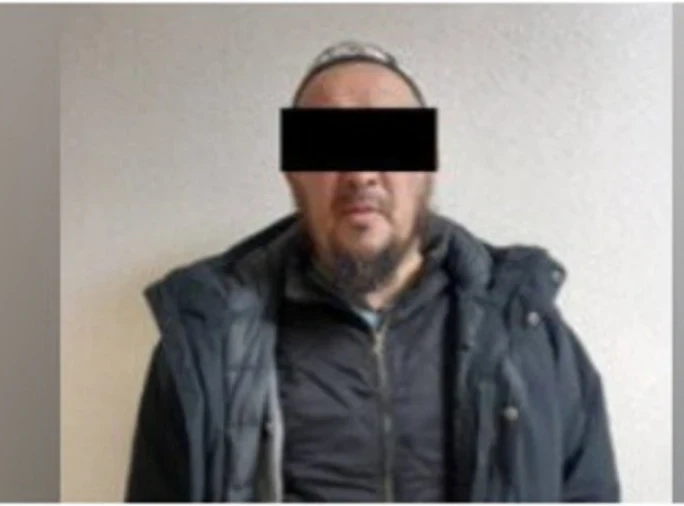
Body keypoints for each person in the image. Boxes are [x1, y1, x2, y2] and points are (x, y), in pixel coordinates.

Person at [125, 41, 620, 502]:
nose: (361, 174)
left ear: (428, 164)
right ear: (293, 172)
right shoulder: (205, 343)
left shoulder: (528, 333)